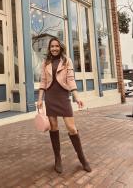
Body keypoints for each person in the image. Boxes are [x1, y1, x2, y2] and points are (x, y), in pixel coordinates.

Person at [37, 37, 91, 174]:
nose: (54, 48)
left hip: (63, 96)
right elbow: (43, 82)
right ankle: (57, 159)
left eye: (56, 46)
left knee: (72, 128)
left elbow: (71, 80)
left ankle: (82, 158)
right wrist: (40, 99)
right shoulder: (45, 62)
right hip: (50, 97)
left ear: (60, 47)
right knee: (53, 127)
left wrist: (77, 97)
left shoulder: (67, 61)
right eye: (51, 46)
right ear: (49, 48)